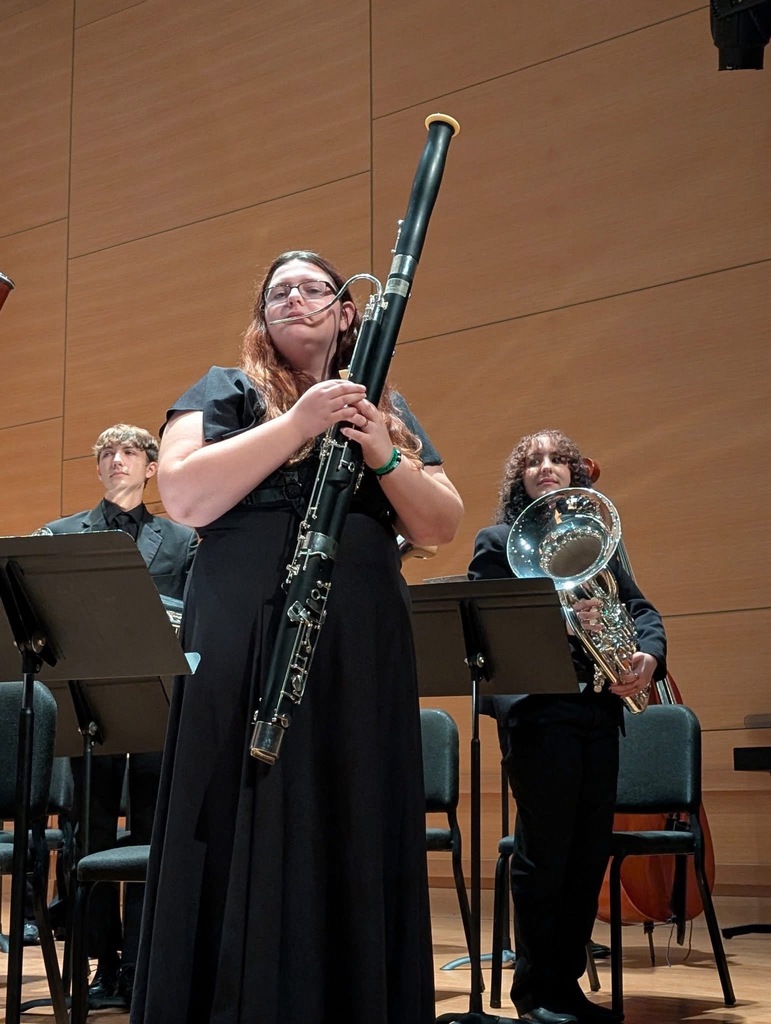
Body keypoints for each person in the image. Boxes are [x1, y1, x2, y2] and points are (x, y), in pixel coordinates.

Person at [130, 250, 464, 1024]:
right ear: (262, 316)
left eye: (312, 288)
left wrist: (381, 450)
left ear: (347, 313)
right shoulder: (224, 389)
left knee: (350, 802)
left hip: (358, 644)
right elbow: (183, 495)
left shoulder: (385, 407)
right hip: (243, 630)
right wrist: (300, 422)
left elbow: (439, 525)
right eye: (277, 292)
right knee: (240, 797)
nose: (292, 299)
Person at [468, 429, 667, 1024]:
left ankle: (567, 986)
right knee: (545, 855)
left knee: (587, 855)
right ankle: (535, 994)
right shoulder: (499, 542)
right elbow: (489, 623)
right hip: (540, 714)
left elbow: (639, 608)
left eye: (558, 459)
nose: (546, 467)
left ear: (575, 474)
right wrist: (561, 615)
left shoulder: (598, 536)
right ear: (519, 479)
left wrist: (649, 655)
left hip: (598, 711)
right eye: (533, 461)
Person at [37, 423, 198, 1007]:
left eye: (129, 452)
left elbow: (195, 616)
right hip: (92, 699)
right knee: (90, 827)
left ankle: (142, 964)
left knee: (154, 828)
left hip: (157, 696)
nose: (116, 460)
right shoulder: (61, 535)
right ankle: (98, 964)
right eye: (106, 453)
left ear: (151, 467)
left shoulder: (182, 540)